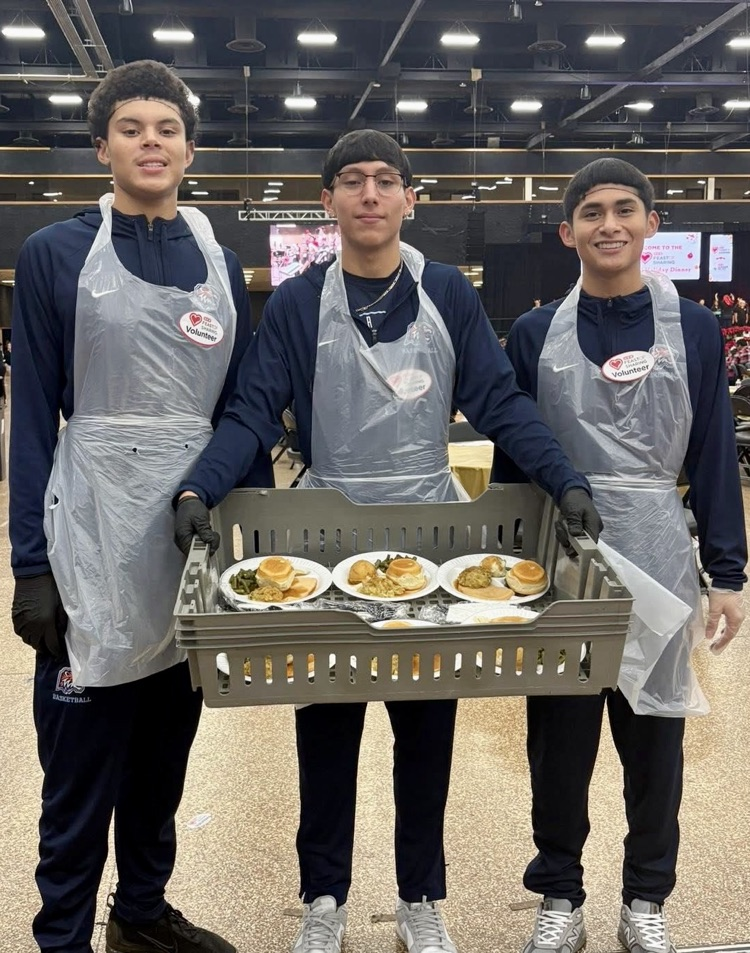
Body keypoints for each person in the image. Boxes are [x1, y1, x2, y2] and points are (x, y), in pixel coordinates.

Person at [172, 129, 603, 953]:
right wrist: (203, 484)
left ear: (411, 198)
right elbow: (253, 410)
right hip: (324, 544)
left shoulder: (448, 291)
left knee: (425, 729)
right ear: (328, 200)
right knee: (325, 729)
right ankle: (324, 896)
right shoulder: (298, 304)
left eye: (385, 181)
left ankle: (420, 895)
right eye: (352, 182)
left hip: (430, 544)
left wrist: (563, 478)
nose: (370, 195)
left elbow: (502, 400)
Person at [9, 60, 272, 953]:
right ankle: (64, 934)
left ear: (190, 148)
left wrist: (252, 540)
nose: (151, 140)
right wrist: (31, 563)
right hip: (91, 532)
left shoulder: (221, 262)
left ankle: (144, 910)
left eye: (166, 127)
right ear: (102, 146)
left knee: (165, 744)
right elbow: (33, 417)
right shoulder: (54, 254)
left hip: (190, 536)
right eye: (132, 127)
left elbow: (242, 406)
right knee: (81, 760)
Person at [492, 157, 746, 953]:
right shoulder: (535, 333)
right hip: (562, 560)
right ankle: (560, 894)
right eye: (593, 211)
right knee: (557, 742)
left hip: (661, 554)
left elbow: (711, 455)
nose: (610, 224)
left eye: (625, 209)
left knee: (655, 740)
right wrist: (506, 568)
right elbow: (515, 458)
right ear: (568, 231)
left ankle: (647, 898)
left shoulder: (693, 330)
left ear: (649, 225)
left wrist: (729, 573)